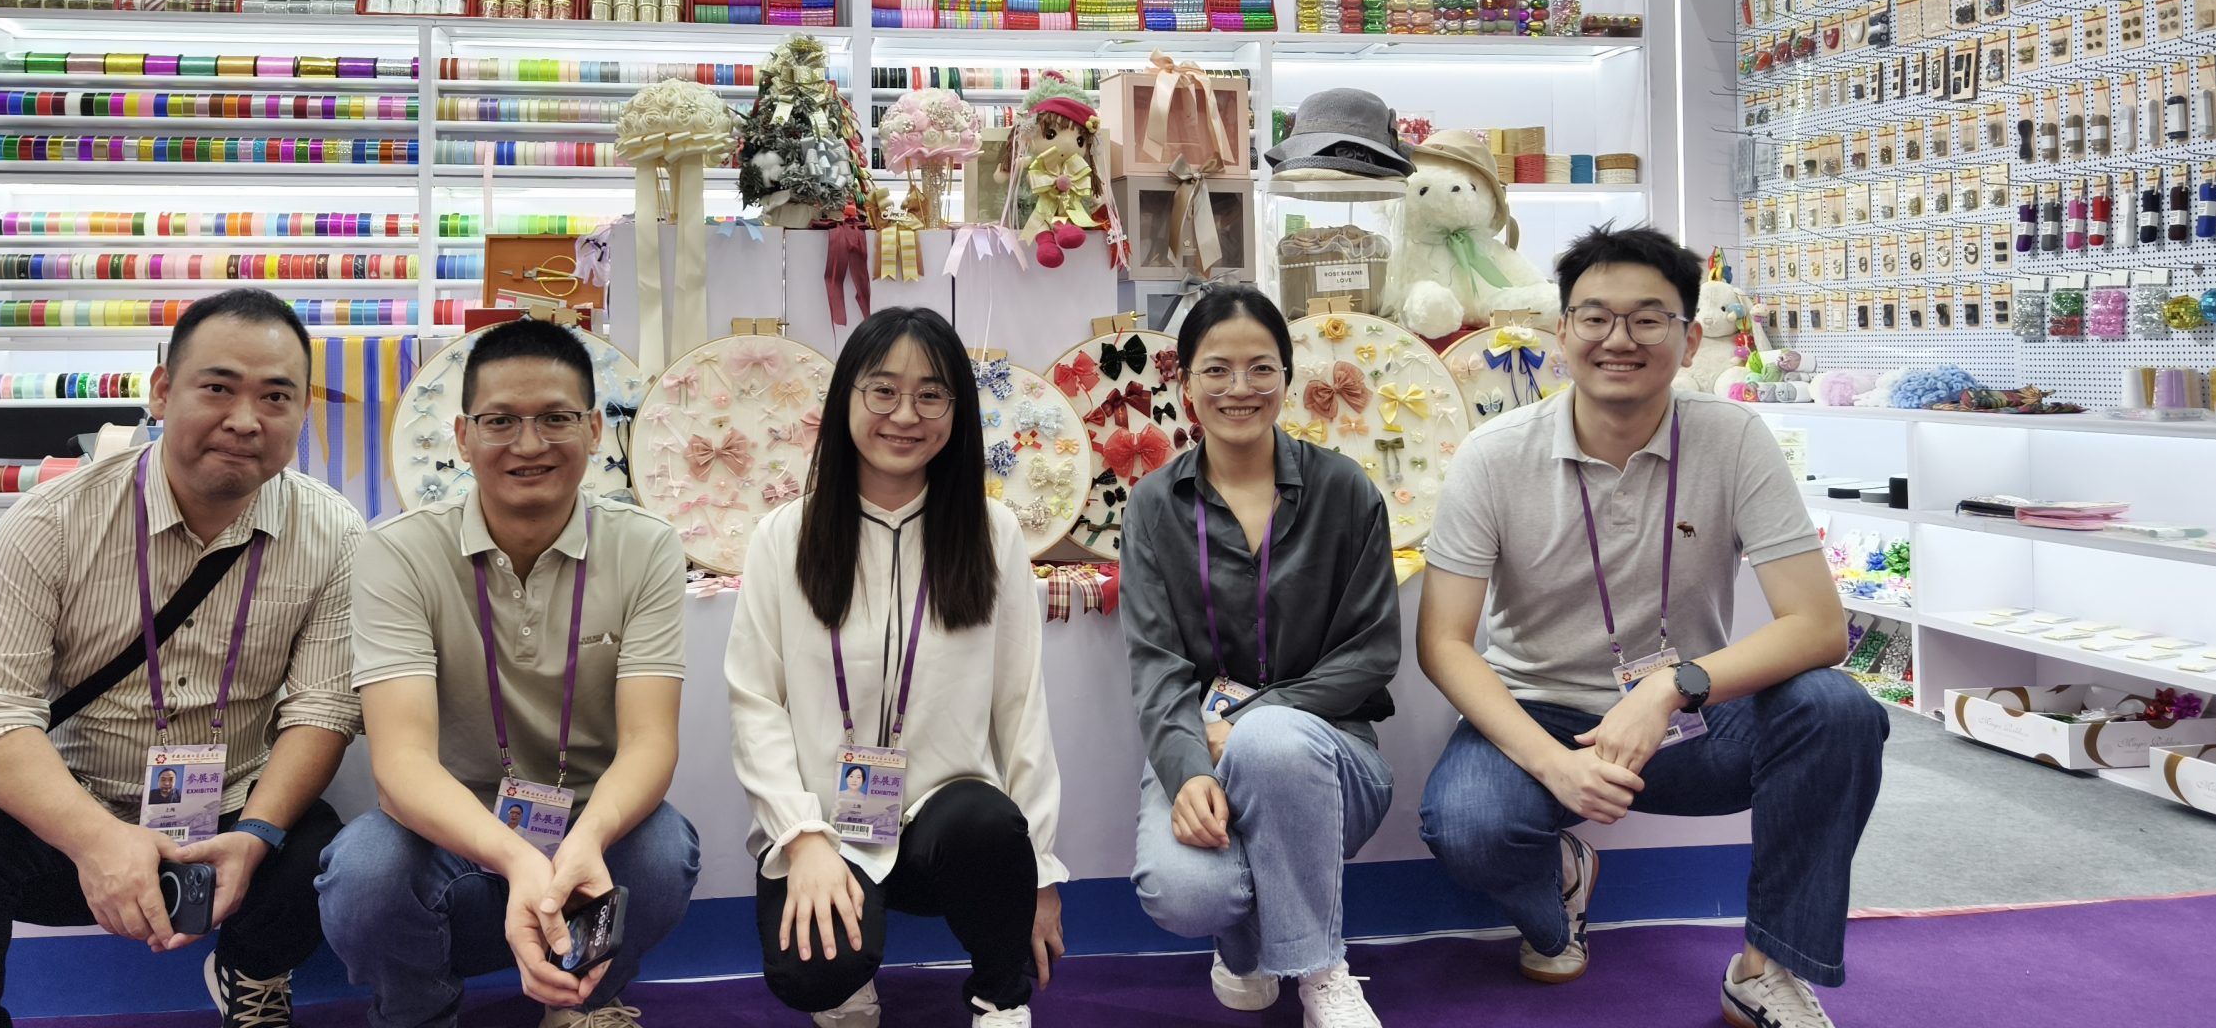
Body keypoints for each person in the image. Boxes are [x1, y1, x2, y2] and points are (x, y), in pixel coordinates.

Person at [1416, 225, 1885, 1028]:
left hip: (1692, 719)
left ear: (1690, 338)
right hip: (1543, 717)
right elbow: (1444, 642)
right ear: (1562, 331)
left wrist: (1673, 687)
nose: (1619, 339)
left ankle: (1765, 967)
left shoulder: (1734, 438)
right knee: (1466, 825)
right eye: (1595, 317)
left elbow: (1818, 626)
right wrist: (1555, 766)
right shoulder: (1494, 455)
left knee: (1839, 711)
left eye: (1648, 318)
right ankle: (1558, 894)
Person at [0, 289, 363, 1028]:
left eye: (276, 396)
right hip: (68, 815)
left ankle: (254, 975)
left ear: (302, 414)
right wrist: (97, 840)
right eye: (217, 387)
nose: (245, 419)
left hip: (230, 817)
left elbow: (322, 709)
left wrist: (256, 834)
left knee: (323, 852)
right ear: (162, 391)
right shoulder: (51, 521)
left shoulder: (333, 532)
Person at [316, 317, 700, 1027]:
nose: (529, 444)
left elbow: (651, 741)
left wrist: (586, 840)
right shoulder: (398, 553)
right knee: (363, 876)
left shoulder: (646, 548)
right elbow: (401, 762)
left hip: (586, 817)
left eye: (555, 418)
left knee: (662, 852)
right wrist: (518, 859)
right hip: (447, 828)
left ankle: (581, 1002)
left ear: (593, 429)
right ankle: (420, 1014)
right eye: (501, 421)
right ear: (463, 436)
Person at [727, 307, 1066, 1028]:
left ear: (957, 410)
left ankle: (1000, 994)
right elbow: (755, 703)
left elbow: (1020, 707)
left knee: (985, 823)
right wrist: (802, 838)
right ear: (846, 397)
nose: (905, 415)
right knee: (810, 976)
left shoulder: (993, 534)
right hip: (827, 826)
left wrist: (1038, 873)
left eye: (931, 395)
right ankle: (848, 975)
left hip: (944, 828)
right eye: (883, 390)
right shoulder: (783, 537)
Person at [1121, 284, 1402, 1028]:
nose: (1238, 388)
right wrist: (1187, 770)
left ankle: (1321, 971)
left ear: (1287, 376)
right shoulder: (1153, 504)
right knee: (1185, 893)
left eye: (1260, 368)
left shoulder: (1344, 491)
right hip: (1198, 743)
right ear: (1185, 383)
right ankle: (1242, 943)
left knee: (1273, 740)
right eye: (1216, 370)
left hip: (1327, 757)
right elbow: (1155, 663)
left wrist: (1250, 720)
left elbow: (1371, 652)